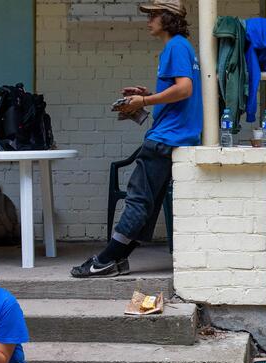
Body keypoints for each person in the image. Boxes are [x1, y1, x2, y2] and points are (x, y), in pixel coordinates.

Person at [71, 0, 202, 278]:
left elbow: (185, 89)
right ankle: (116, 260)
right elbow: (176, 91)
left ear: (168, 17)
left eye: (154, 15)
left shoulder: (175, 46)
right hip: (174, 136)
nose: (148, 20)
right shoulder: (181, 47)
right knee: (148, 204)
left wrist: (144, 99)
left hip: (165, 138)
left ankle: (105, 260)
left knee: (137, 200)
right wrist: (146, 93)